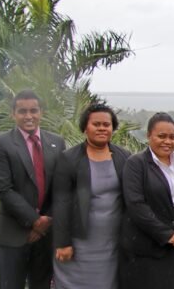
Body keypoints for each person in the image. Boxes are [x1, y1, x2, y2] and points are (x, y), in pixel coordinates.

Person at [0, 89, 67, 289]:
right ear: (13, 114)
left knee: (41, 285)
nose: (29, 116)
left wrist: (47, 220)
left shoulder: (56, 143)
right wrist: (34, 221)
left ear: (41, 112)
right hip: (13, 233)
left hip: (46, 235)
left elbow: (62, 186)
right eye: (22, 111)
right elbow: (3, 188)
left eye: (33, 110)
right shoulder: (2, 144)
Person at [52, 103, 132, 289]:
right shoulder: (69, 159)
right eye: (97, 124)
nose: (102, 128)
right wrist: (62, 242)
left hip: (112, 243)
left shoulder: (123, 156)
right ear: (85, 127)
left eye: (107, 124)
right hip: (79, 243)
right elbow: (61, 202)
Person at [121, 112, 174, 288]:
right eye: (161, 136)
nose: (167, 141)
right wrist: (168, 235)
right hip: (147, 251)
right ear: (149, 136)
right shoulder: (136, 164)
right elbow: (136, 205)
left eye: (172, 137)